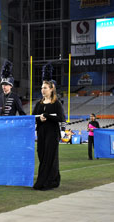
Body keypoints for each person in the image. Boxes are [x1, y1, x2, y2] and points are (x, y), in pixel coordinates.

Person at [32, 63, 65, 191]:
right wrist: (39, 117)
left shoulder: (56, 103)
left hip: (52, 133)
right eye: (41, 87)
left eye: (45, 87)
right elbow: (32, 117)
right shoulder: (38, 104)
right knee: (41, 154)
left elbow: (61, 118)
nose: (42, 90)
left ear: (51, 89)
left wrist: (48, 116)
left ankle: (47, 181)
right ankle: (53, 178)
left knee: (50, 157)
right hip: (41, 133)